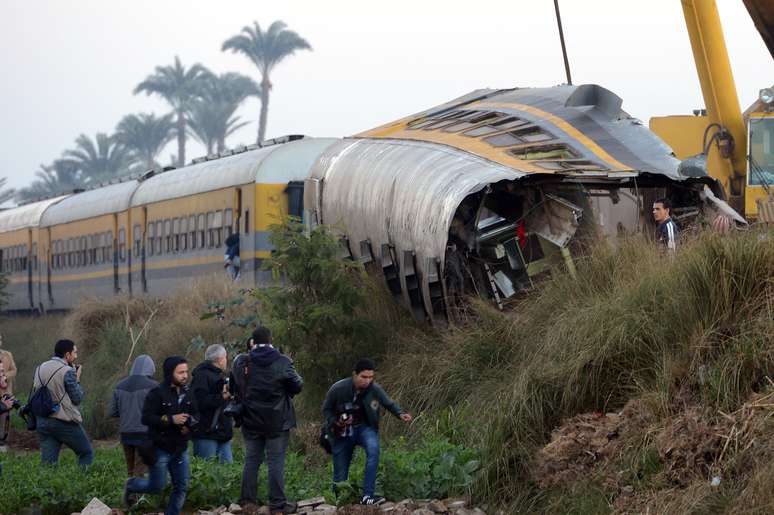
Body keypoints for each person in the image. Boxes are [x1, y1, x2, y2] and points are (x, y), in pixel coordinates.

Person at [231, 326, 303, 515]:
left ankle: (247, 501)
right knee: (275, 462)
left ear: (252, 342)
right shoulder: (283, 361)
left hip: (250, 420)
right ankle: (278, 504)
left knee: (252, 460)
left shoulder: (241, 362)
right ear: (271, 340)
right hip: (277, 421)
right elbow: (297, 386)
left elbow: (235, 386)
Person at [323, 359, 413, 506]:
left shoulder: (374, 389)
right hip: (342, 432)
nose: (367, 381)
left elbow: (388, 403)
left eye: (371, 377)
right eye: (364, 377)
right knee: (340, 472)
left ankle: (367, 495)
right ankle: (340, 501)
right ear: (354, 375)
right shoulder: (338, 389)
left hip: (365, 428)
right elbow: (326, 409)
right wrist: (336, 421)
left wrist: (400, 414)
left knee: (374, 450)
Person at [124, 356, 198, 515]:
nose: (185, 375)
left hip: (180, 448)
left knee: (181, 486)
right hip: (160, 448)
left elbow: (196, 414)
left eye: (186, 371)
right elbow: (146, 418)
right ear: (170, 373)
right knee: (156, 486)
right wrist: (171, 419)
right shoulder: (156, 393)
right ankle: (132, 484)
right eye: (180, 372)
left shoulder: (188, 392)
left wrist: (190, 426)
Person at [32, 339, 93, 467]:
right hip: (62, 420)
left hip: (42, 420)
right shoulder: (67, 371)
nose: (76, 356)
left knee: (48, 464)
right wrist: (77, 379)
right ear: (67, 355)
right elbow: (77, 398)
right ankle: (86, 484)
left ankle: (47, 487)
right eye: (75, 353)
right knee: (86, 452)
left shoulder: (40, 367)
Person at [108, 354, 158, 477]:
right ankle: (136, 495)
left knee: (130, 469)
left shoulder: (119, 385)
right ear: (151, 368)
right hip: (145, 434)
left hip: (126, 434)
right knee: (141, 469)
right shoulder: (154, 386)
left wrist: (126, 412)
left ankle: (130, 495)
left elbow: (112, 412)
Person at [191, 344, 233, 464]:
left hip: (221, 432)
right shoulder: (201, 376)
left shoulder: (218, 375)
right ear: (219, 359)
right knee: (205, 473)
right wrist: (222, 396)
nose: (226, 360)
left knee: (228, 473)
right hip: (206, 433)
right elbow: (200, 402)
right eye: (225, 357)